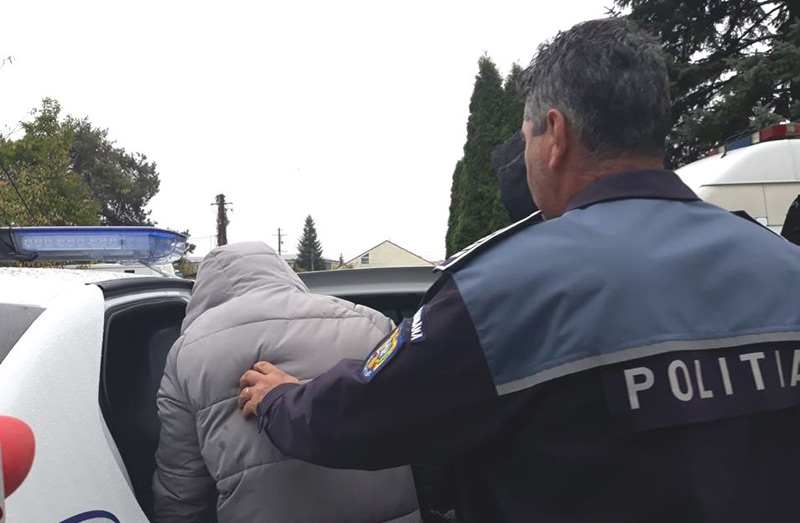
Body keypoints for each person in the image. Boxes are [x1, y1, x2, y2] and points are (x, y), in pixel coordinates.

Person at [238, 18, 800, 522]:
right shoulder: (784, 264)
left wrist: (280, 400)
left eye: (526, 138)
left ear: (556, 135)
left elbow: (361, 418)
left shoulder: (501, 293)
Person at [152, 242, 420, 523]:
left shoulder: (188, 352)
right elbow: (421, 431)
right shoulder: (372, 323)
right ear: (283, 272)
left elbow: (180, 482)